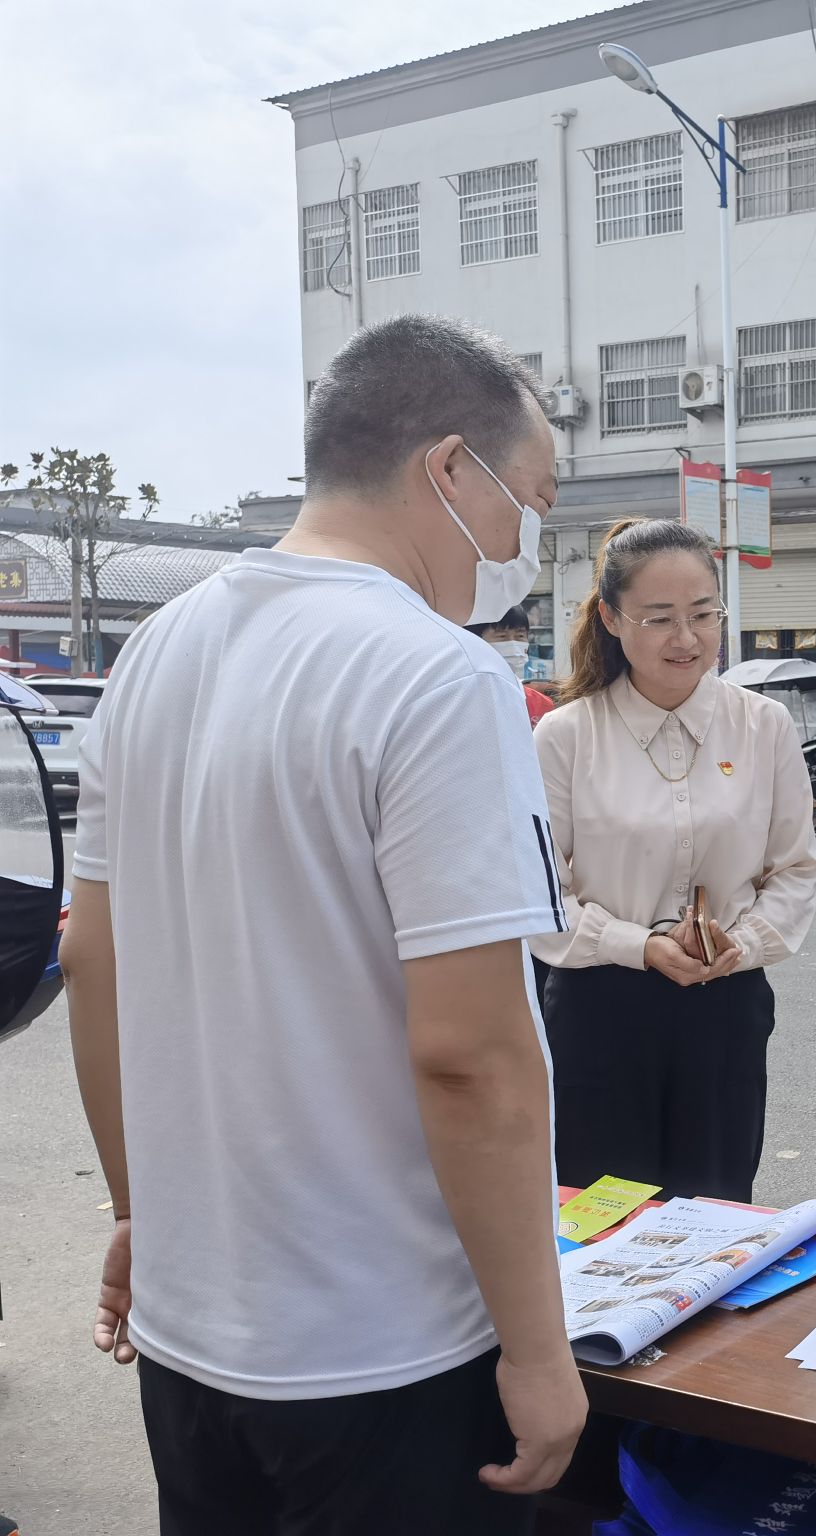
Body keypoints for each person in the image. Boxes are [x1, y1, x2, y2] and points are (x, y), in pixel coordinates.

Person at [62, 314, 585, 1530]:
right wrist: (535, 1348)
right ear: (448, 471)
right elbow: (471, 1054)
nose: (522, 544)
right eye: (528, 501)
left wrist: (143, 1213)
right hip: (380, 1345)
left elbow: (95, 960)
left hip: (193, 1332)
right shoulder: (439, 675)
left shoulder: (155, 651)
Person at [531, 517, 816, 1203]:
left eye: (703, 615)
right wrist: (640, 946)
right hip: (598, 1008)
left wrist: (740, 943)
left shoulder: (763, 726)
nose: (686, 639)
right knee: (599, 1221)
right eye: (659, 618)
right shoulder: (566, 735)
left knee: (716, 1216)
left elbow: (795, 870)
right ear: (610, 617)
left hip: (723, 1005)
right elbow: (540, 894)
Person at [468, 604, 554, 727]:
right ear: (477, 640)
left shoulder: (541, 704)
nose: (513, 643)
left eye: (520, 636)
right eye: (502, 636)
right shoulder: (467, 700)